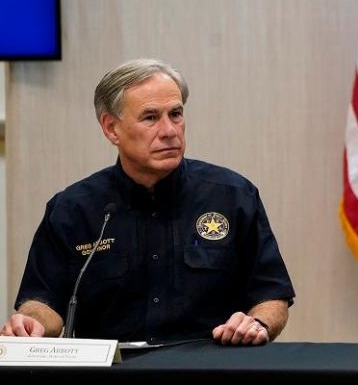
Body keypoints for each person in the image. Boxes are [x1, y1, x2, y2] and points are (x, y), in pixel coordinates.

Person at [1, 59, 295, 346]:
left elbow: (272, 294)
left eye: (176, 114)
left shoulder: (233, 195)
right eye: (150, 117)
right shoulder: (73, 209)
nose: (169, 131)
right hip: (112, 372)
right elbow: (44, 300)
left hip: (210, 369)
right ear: (111, 128)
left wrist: (257, 323)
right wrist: (32, 322)